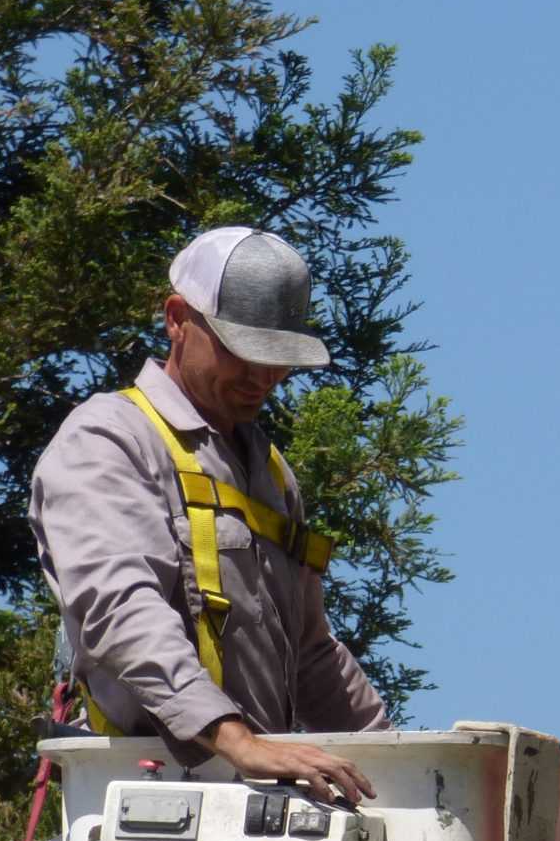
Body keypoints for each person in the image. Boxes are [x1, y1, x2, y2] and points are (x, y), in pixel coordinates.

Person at [30, 227, 384, 805]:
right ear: (177, 319)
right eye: (241, 352)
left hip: (260, 795)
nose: (263, 378)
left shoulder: (269, 473)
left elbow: (312, 652)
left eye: (277, 359)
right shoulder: (110, 439)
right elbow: (119, 609)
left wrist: (404, 767)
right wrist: (234, 739)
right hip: (146, 793)